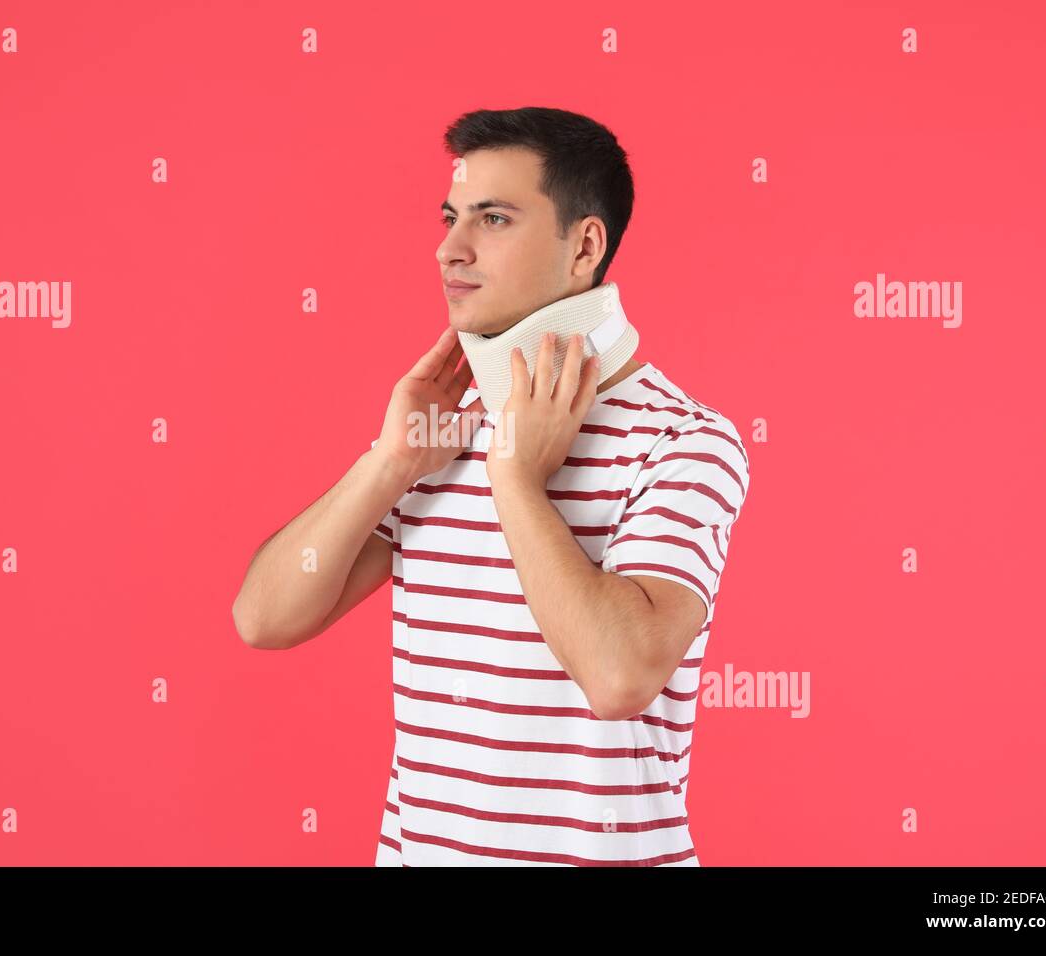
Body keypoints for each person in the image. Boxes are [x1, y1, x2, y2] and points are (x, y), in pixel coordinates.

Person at [232, 107, 750, 866]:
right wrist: (388, 461)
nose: (450, 250)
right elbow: (261, 619)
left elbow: (617, 676)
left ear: (585, 247)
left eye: (494, 219)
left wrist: (514, 475)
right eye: (449, 219)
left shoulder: (685, 440)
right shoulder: (438, 434)